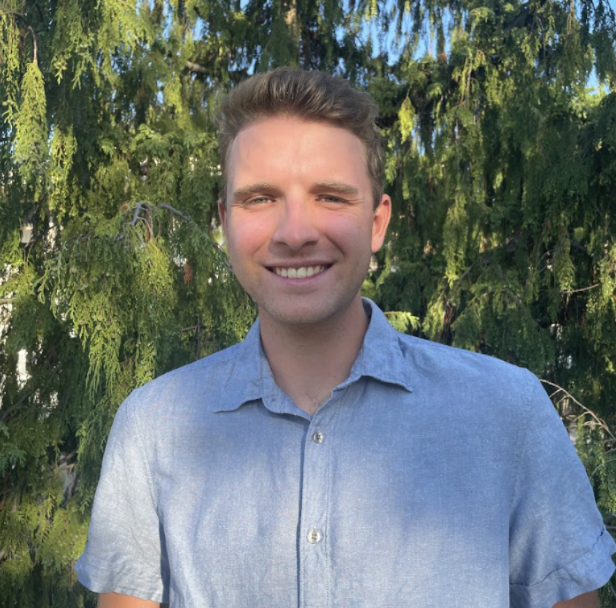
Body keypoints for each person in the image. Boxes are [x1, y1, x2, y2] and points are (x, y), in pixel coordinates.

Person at [75, 68, 616, 608]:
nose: (294, 232)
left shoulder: (506, 414)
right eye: (260, 198)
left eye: (330, 197)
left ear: (378, 223)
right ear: (224, 223)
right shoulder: (153, 429)